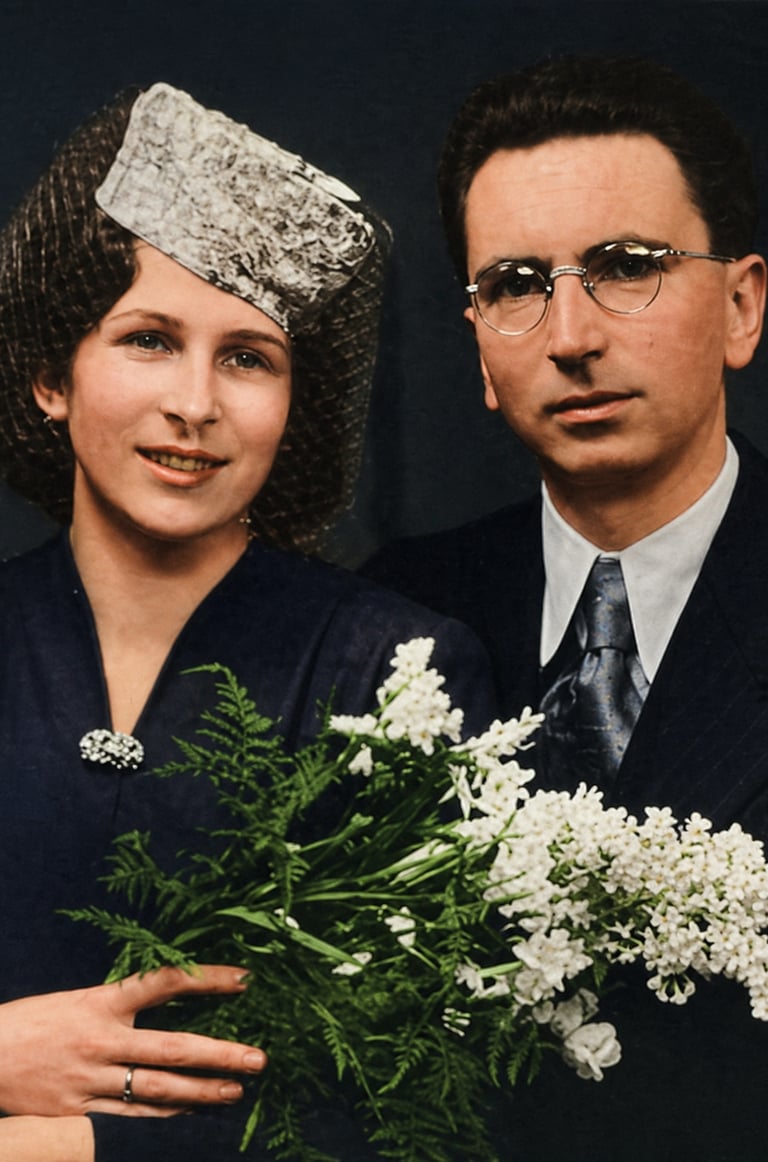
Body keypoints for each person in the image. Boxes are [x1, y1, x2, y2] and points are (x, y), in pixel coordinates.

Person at [0, 83, 495, 1162]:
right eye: (148, 339)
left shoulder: (394, 674)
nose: (196, 403)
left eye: (247, 357)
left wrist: (46, 1146)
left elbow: (416, 1107)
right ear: (49, 375)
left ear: (293, 406)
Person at [363, 57, 768, 1159]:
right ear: (480, 347)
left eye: (627, 267)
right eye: (516, 284)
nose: (571, 335)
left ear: (741, 305)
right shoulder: (389, 615)